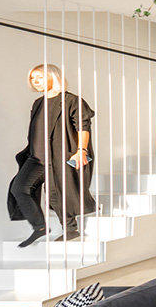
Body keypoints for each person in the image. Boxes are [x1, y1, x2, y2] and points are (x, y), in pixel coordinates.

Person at [7, 64, 97, 245]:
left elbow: (83, 126)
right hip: (36, 157)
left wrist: (81, 150)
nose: (35, 81)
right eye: (32, 79)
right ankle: (40, 226)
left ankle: (70, 229)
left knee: (57, 193)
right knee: (19, 188)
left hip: (59, 154)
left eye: (39, 77)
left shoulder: (71, 101)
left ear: (53, 77)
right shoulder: (38, 103)